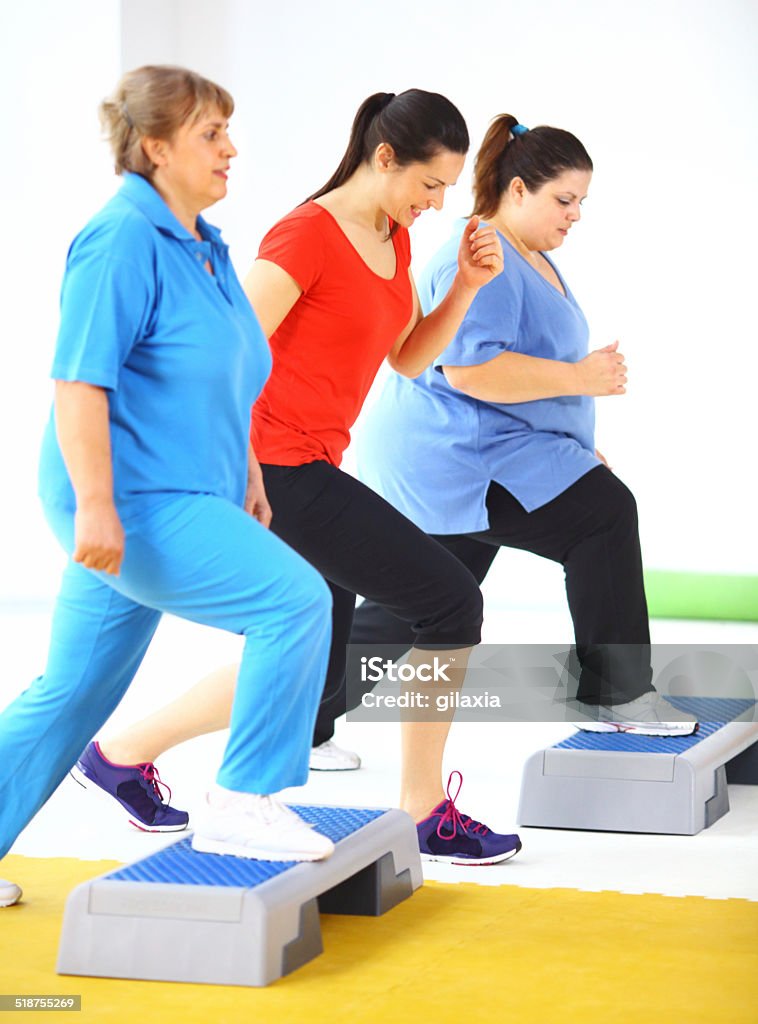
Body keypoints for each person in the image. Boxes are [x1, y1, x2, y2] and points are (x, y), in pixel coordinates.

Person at [72, 89, 523, 866]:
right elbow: (223, 353)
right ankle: (423, 810)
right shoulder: (306, 235)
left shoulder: (395, 237)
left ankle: (117, 755)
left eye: (446, 189)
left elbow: (410, 360)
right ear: (384, 158)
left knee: (314, 657)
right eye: (428, 184)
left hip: (314, 459)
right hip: (275, 464)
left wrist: (466, 291)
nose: (436, 202)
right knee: (451, 601)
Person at [0, 64, 337, 894]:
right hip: (131, 498)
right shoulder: (120, 240)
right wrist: (96, 508)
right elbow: (81, 383)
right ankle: (244, 798)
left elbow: (216, 377)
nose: (231, 151)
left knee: (73, 691)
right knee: (295, 601)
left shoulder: (204, 244)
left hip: (182, 488)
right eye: (210, 135)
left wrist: (247, 470)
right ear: (155, 148)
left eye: (228, 132)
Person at [354, 114, 698, 737]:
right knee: (604, 515)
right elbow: (471, 372)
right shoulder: (489, 253)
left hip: (483, 454)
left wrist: (573, 445)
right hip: (461, 458)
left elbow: (522, 363)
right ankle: (616, 696)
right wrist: (583, 381)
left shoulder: (524, 251)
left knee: (424, 601)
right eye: (563, 200)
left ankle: (298, 713)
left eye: (581, 202)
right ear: (517, 190)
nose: (575, 214)